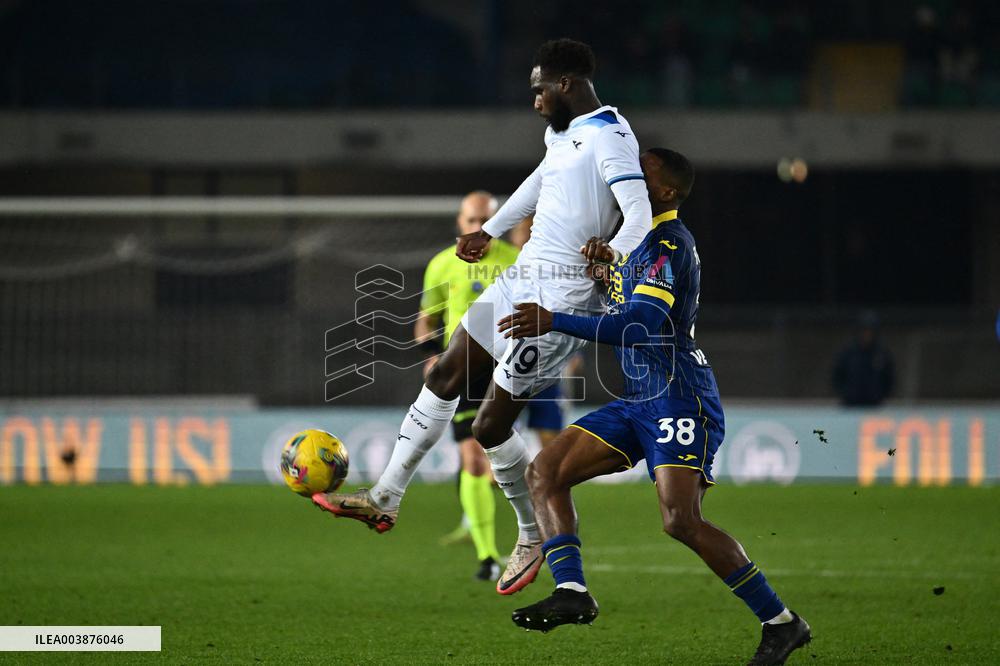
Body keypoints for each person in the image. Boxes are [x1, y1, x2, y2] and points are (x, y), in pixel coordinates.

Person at [314, 38, 652, 596]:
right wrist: (490, 231)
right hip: (523, 276)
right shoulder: (562, 133)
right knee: (447, 373)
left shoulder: (610, 136)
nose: (535, 98)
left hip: (560, 300)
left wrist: (613, 253)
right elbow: (540, 183)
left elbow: (637, 212)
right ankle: (386, 496)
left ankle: (529, 533)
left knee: (492, 425)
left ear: (566, 84)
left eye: (539, 87)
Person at [497, 148, 811, 665]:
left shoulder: (667, 244)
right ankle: (573, 592)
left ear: (663, 191)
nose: (621, 177)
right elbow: (627, 305)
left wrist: (553, 319)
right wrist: (605, 271)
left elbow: (638, 326)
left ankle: (782, 623)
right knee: (544, 472)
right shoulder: (636, 242)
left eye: (638, 174)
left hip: (679, 396)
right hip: (639, 397)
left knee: (680, 520)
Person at [415, 191, 517, 581]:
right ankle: (488, 556)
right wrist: (430, 355)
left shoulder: (517, 261)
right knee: (475, 458)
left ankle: (532, 535)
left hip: (509, 367)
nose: (477, 228)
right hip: (464, 370)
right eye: (471, 221)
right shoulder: (442, 264)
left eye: (484, 221)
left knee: (498, 460)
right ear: (460, 222)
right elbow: (426, 319)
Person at [832, 312, 894, 407]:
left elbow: (889, 380)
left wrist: (879, 396)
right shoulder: (848, 353)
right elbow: (837, 376)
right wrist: (846, 394)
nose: (867, 335)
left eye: (870, 331)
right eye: (864, 331)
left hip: (874, 407)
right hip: (850, 406)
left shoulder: (882, 354)